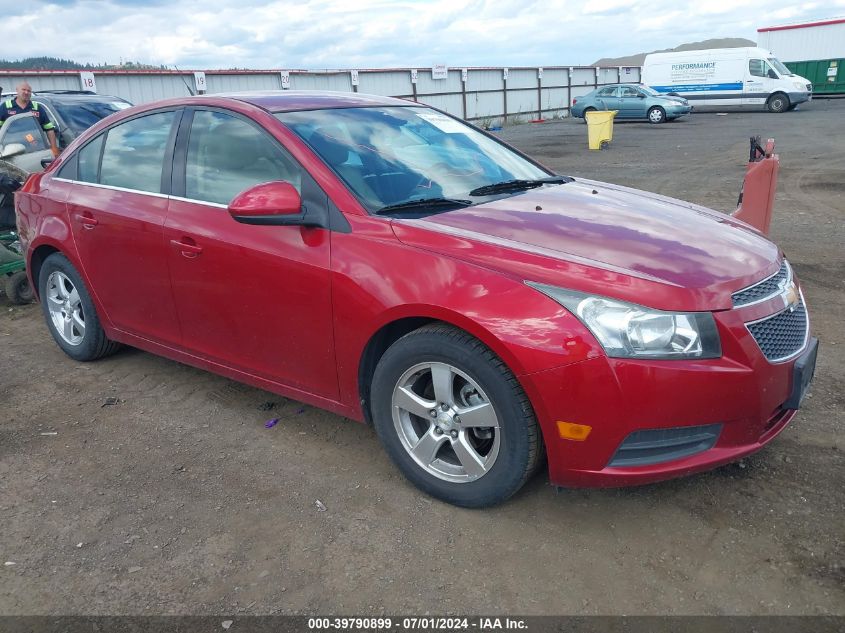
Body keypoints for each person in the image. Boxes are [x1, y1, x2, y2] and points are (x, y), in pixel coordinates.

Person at [0, 81, 60, 157]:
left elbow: (49, 129)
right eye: (23, 89)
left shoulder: (37, 107)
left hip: (35, 149)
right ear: (17, 90)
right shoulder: (5, 107)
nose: (26, 92)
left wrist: (54, 148)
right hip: (10, 151)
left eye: (29, 91)